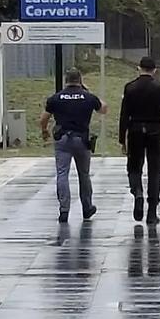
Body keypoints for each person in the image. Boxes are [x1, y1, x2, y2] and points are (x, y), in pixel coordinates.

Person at [119, 56, 160, 225]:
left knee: (134, 167)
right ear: (155, 70)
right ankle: (152, 213)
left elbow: (124, 115)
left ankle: (137, 192)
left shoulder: (129, 88)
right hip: (155, 132)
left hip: (135, 131)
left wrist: (122, 139)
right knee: (155, 171)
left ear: (139, 68)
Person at [41, 68, 107, 224]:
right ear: (80, 80)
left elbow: (44, 118)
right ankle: (87, 207)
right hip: (82, 140)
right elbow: (104, 109)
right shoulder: (88, 97)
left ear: (66, 80)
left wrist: (44, 131)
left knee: (62, 173)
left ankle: (64, 210)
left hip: (62, 139)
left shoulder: (55, 98)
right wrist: (88, 91)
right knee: (84, 174)